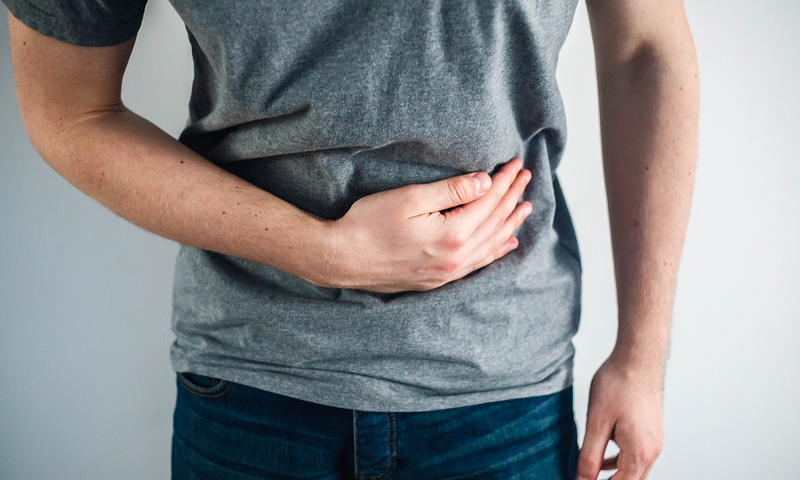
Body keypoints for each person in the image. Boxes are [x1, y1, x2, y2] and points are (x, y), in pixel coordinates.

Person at [4, 0, 697, 477]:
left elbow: (646, 50)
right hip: (253, 389)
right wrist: (327, 252)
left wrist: (643, 355)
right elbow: (70, 110)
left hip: (501, 399)